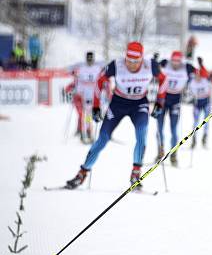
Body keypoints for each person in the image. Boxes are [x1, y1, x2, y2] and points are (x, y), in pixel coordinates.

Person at [65, 42, 167, 190]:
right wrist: (95, 106)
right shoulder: (116, 65)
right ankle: (82, 173)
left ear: (141, 59)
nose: (131, 65)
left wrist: (160, 102)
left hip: (139, 104)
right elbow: (99, 81)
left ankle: (135, 174)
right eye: (129, 60)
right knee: (103, 139)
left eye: (135, 61)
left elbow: (164, 80)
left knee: (141, 133)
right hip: (118, 104)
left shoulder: (150, 65)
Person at [155, 51, 195, 166]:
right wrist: (155, 60)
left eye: (178, 61)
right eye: (174, 61)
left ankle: (173, 154)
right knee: (159, 128)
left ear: (181, 61)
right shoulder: (165, 63)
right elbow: (153, 68)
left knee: (173, 129)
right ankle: (160, 151)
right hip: (162, 98)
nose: (175, 63)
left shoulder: (186, 67)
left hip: (176, 99)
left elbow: (200, 73)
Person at [70, 51, 104, 143]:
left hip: (94, 96)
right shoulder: (82, 69)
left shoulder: (97, 68)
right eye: (88, 59)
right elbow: (79, 82)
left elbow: (100, 81)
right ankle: (84, 132)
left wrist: (101, 90)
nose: (90, 61)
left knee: (89, 115)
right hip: (85, 95)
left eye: (91, 59)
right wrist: (78, 91)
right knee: (86, 115)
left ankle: (88, 132)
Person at [189, 57, 212, 148]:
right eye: (196, 75)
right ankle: (194, 140)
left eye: (199, 75)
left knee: (206, 122)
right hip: (197, 103)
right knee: (195, 122)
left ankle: (204, 139)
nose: (198, 77)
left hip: (206, 103)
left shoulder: (206, 80)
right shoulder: (192, 82)